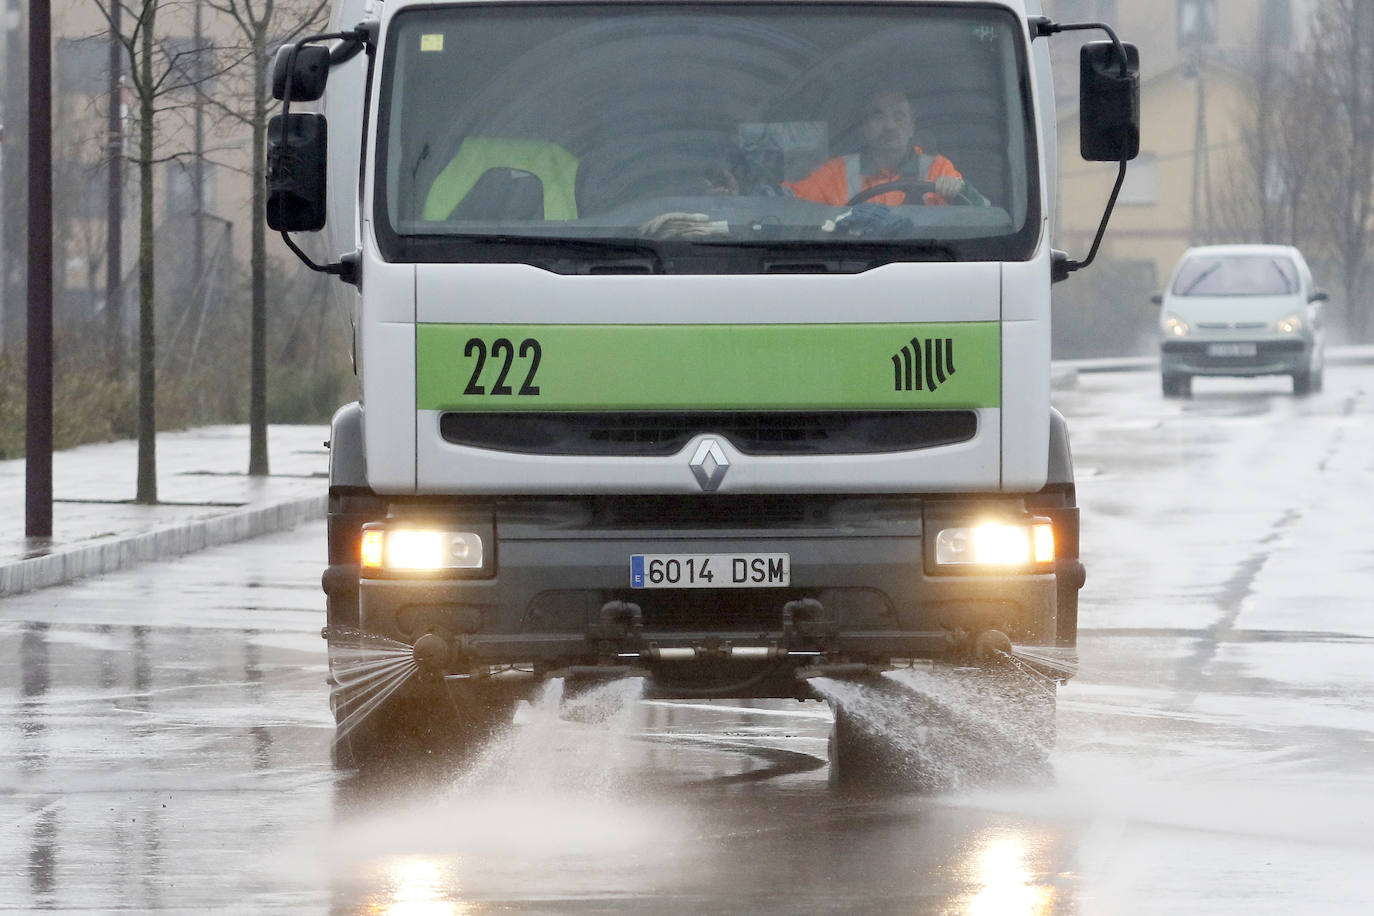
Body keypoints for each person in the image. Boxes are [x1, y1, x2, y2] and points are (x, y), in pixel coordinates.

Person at [783, 90, 979, 207]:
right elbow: (787, 204)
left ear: (912, 127)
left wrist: (961, 190)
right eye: (878, 116)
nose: (889, 126)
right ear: (864, 127)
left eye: (899, 116)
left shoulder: (938, 169)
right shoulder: (835, 172)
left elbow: (979, 211)